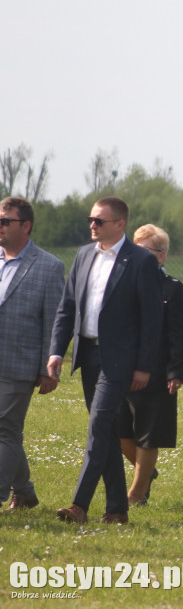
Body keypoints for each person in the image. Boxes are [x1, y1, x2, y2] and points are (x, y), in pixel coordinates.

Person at [49, 196, 163, 525]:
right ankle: (117, 509)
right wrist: (57, 350)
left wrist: (143, 366)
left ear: (119, 224)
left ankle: (79, 505)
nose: (92, 225)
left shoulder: (140, 261)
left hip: (121, 359)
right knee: (107, 432)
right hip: (88, 353)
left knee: (98, 425)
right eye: (91, 220)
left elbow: (151, 320)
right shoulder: (84, 256)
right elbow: (67, 307)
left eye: (99, 221)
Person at [0, 197, 64, 511]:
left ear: (25, 225)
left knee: (5, 429)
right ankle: (24, 492)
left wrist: (48, 367)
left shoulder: (49, 266)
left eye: (5, 221)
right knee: (6, 430)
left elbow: (54, 321)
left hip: (18, 364)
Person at [118, 224, 183, 506]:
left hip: (156, 373)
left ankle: (136, 495)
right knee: (120, 433)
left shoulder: (172, 288)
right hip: (121, 368)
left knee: (148, 435)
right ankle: (146, 471)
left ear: (160, 256)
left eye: (144, 250)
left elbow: (178, 334)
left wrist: (175, 370)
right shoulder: (123, 281)